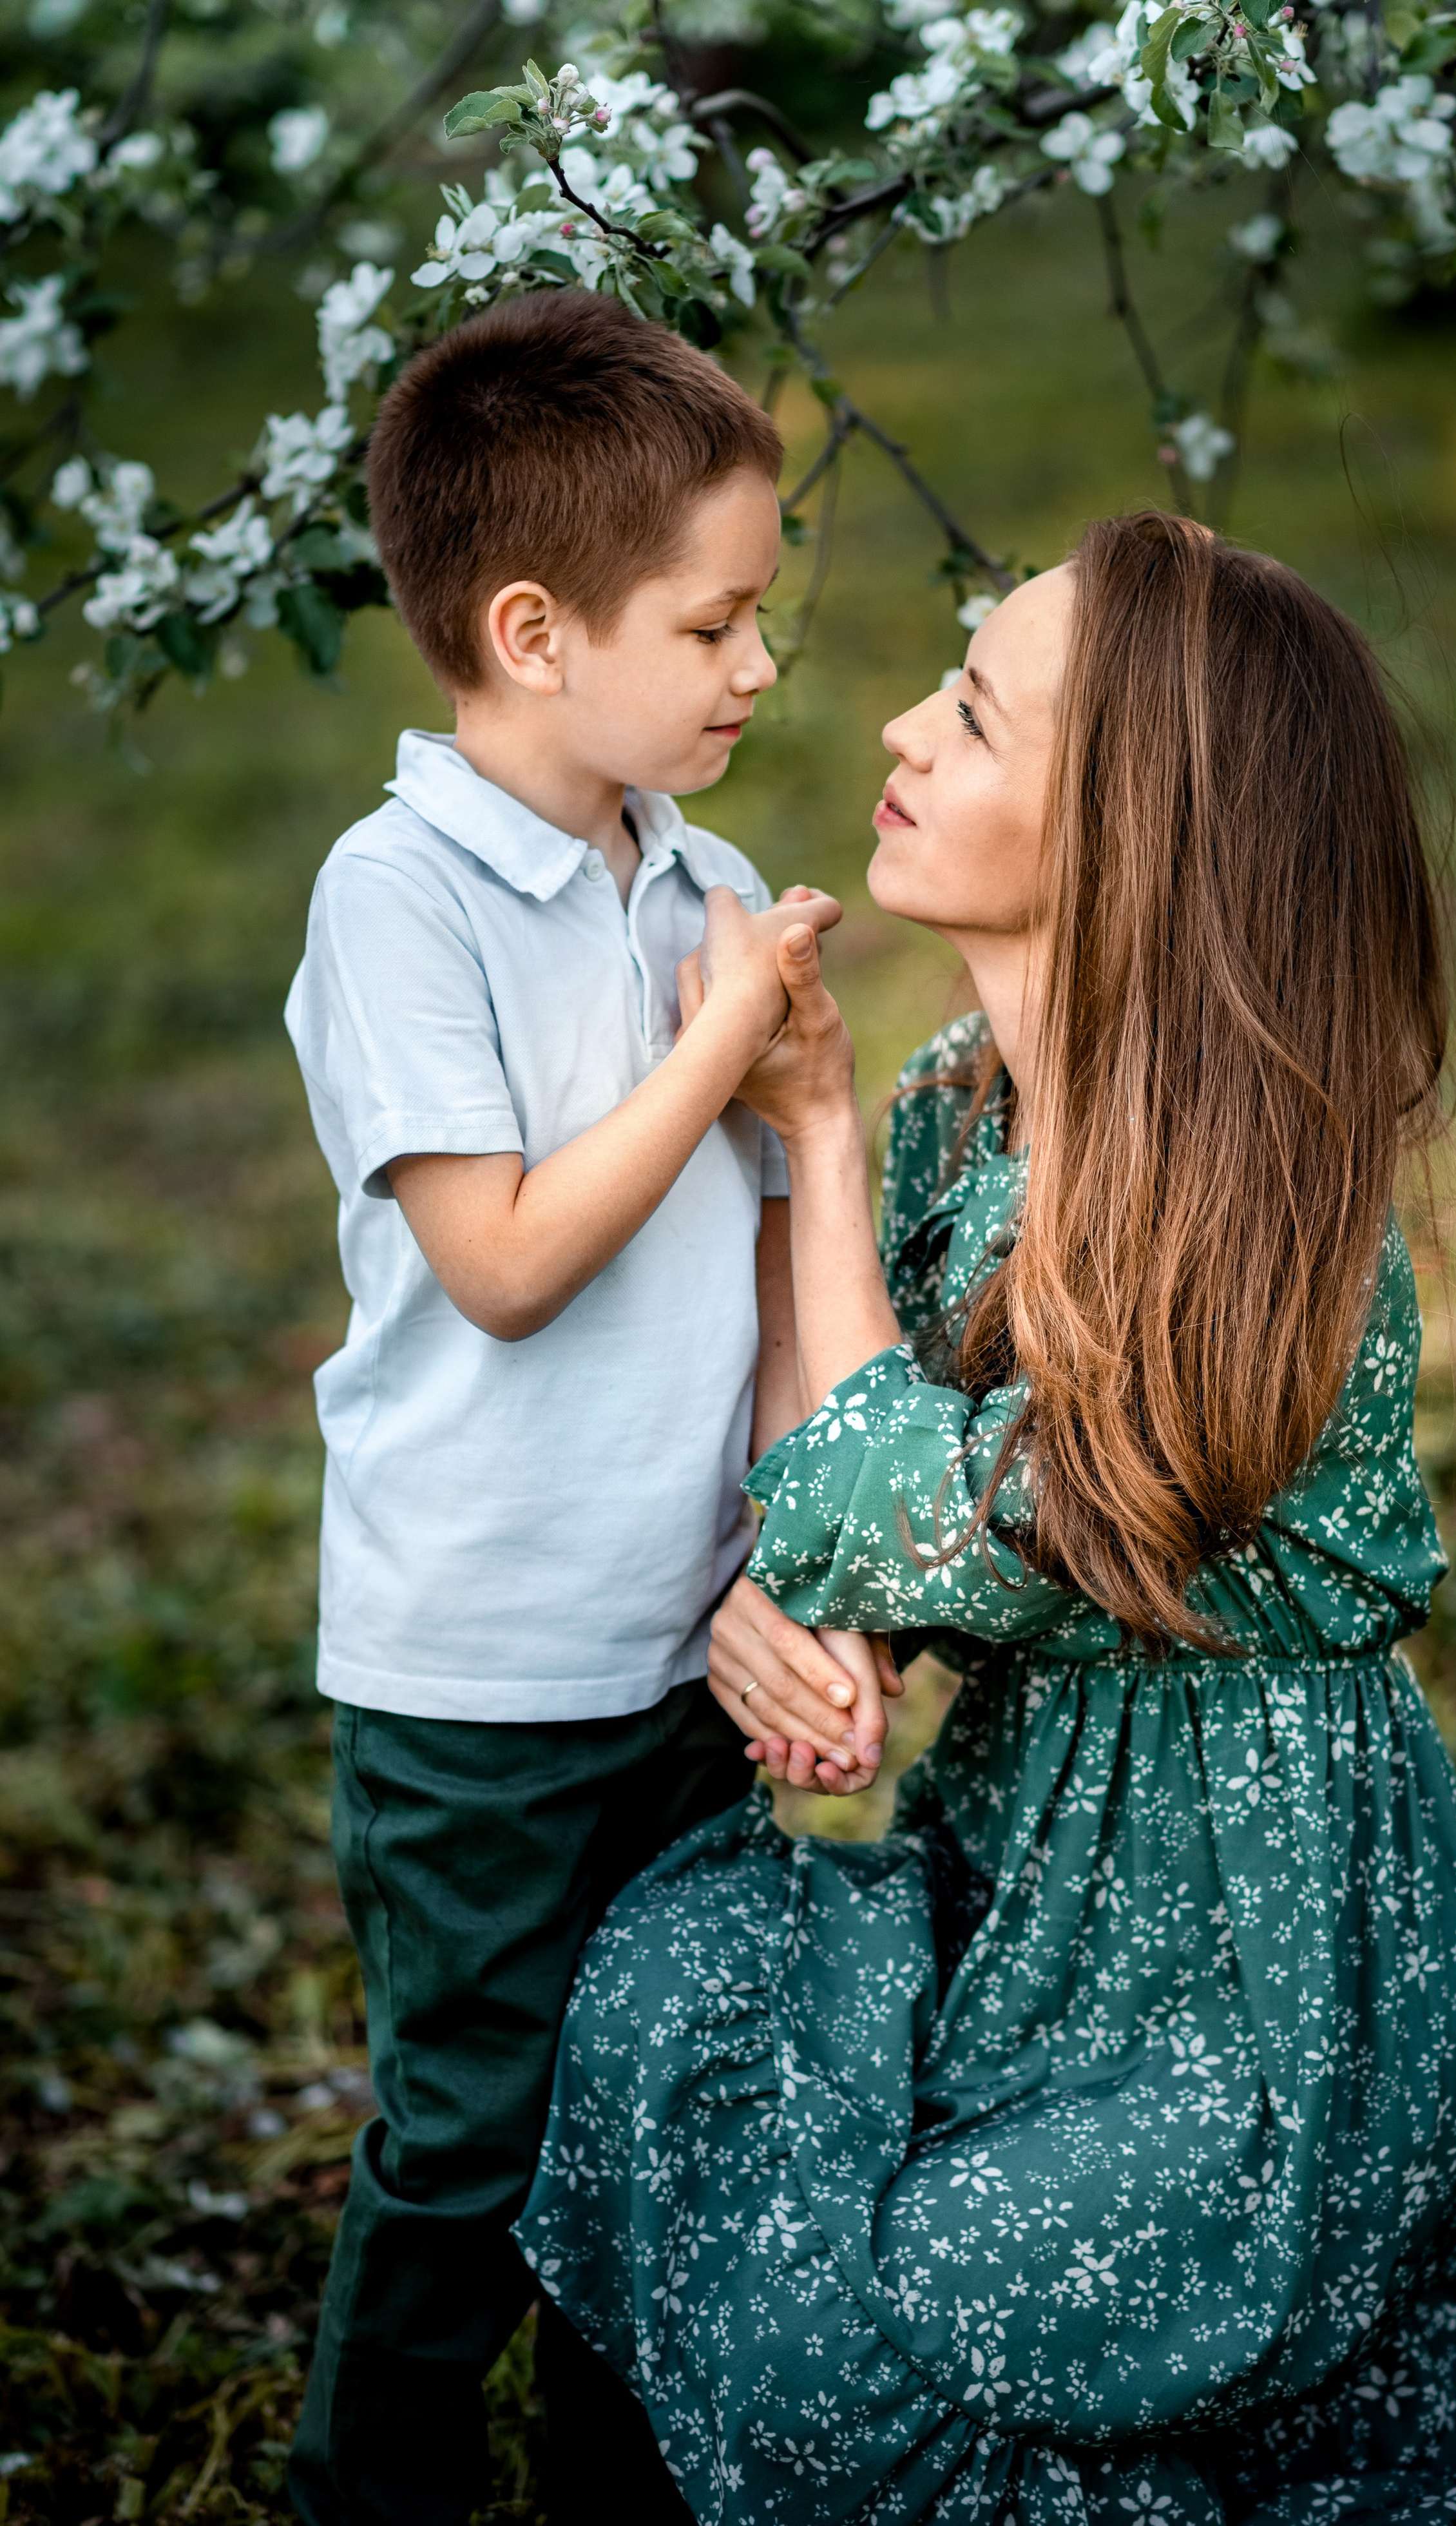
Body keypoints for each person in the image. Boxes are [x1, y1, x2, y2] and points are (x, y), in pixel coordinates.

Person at [515, 512, 1456, 2521]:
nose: (902, 727)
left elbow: (904, 1501)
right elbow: (841, 1518)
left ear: (1136, 837)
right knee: (665, 1983)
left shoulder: (1269, 1235)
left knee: (864, 2336)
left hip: (1246, 2014)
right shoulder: (963, 1099)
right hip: (1018, 1887)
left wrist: (815, 1140)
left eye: (977, 716)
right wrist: (787, 1621)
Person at [280, 286, 861, 2526]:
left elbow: (766, 1254)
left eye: (758, 618)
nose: (757, 667)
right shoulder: (398, 893)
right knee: (475, 2136)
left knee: (661, 2121)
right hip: (484, 1672)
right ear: (532, 631)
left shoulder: (694, 880)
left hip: (678, 1639)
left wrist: (787, 1562)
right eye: (713, 625)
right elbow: (507, 1266)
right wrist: (720, 1042)